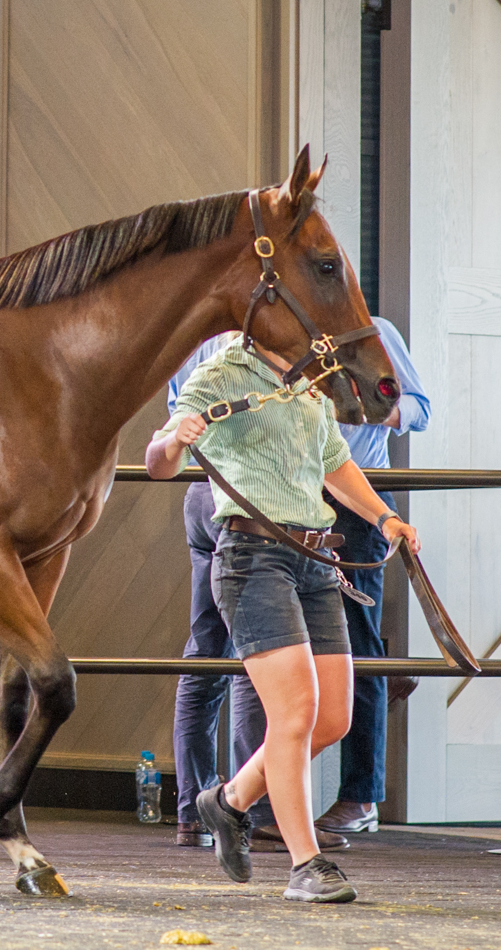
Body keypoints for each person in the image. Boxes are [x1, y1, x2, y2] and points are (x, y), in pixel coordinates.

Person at [146, 336, 420, 904]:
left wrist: (385, 516)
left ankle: (227, 802)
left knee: (334, 719)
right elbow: (158, 462)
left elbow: (334, 461)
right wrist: (176, 439)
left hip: (317, 560)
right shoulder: (221, 375)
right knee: (294, 713)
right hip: (251, 558)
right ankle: (305, 863)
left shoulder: (311, 382)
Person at [316, 317, 430, 839]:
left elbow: (419, 410)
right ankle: (262, 799)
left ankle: (360, 796)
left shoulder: (375, 332)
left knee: (357, 645)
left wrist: (367, 409)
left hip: (359, 499)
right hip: (290, 496)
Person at [164, 334, 277, 849]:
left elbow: (173, 422)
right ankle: (249, 808)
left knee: (206, 652)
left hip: (200, 492)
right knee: (256, 655)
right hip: (247, 496)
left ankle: (191, 810)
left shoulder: (197, 349)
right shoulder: (255, 348)